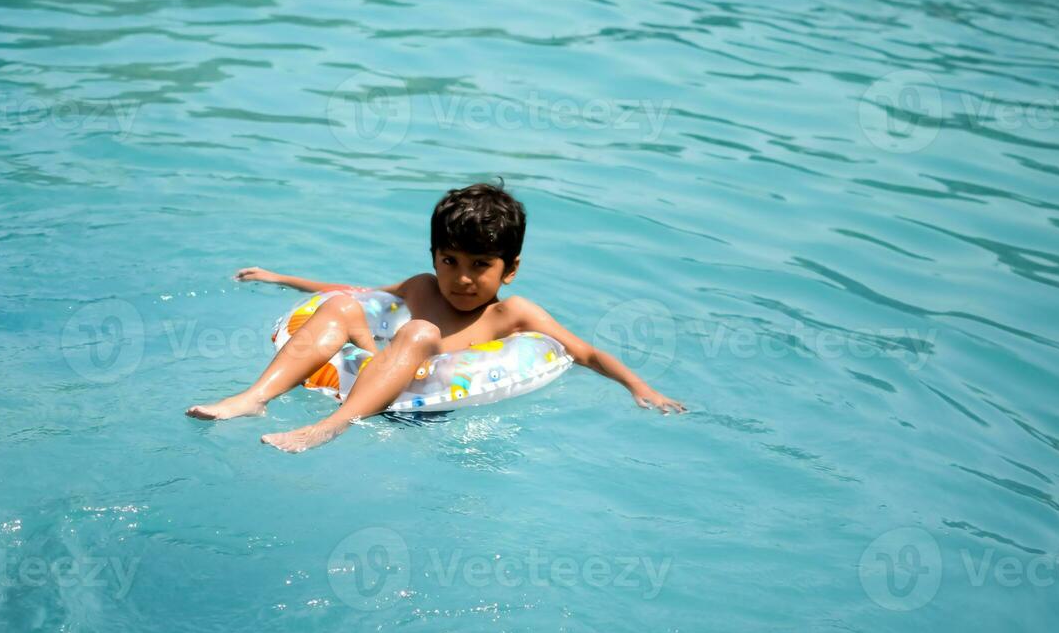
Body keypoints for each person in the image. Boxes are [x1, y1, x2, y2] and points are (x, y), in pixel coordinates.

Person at [187, 182, 685, 452]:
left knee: (420, 332)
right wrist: (282, 277)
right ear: (433, 256)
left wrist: (641, 387)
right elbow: (353, 294)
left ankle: (331, 426)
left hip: (427, 410)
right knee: (343, 308)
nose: (462, 280)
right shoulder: (420, 288)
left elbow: (587, 352)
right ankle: (253, 398)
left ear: (509, 269)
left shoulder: (513, 316)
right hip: (380, 372)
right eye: (450, 262)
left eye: (480, 266)